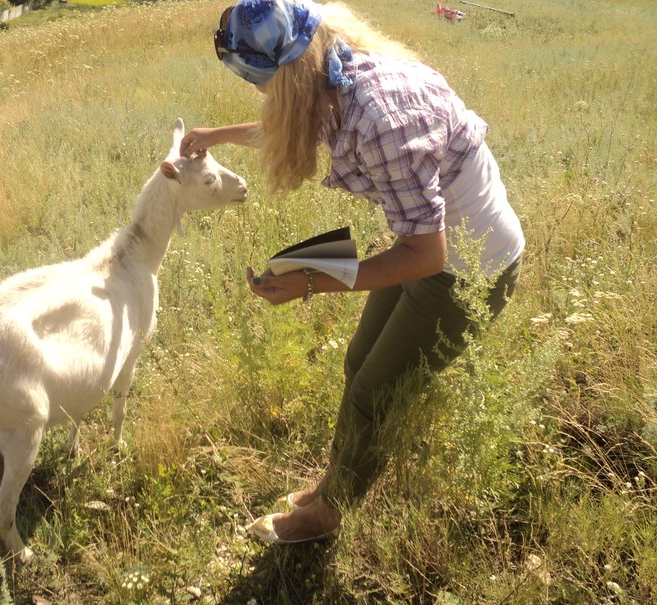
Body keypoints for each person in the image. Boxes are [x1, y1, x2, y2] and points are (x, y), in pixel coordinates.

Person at [180, 0, 525, 544]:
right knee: (359, 363)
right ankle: (334, 484)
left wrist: (312, 281)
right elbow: (293, 123)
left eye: (259, 84)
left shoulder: (379, 120)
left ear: (279, 76)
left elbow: (427, 256)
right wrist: (216, 135)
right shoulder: (333, 72)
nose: (261, 96)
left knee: (373, 389)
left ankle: (327, 516)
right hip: (434, 249)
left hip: (470, 270)